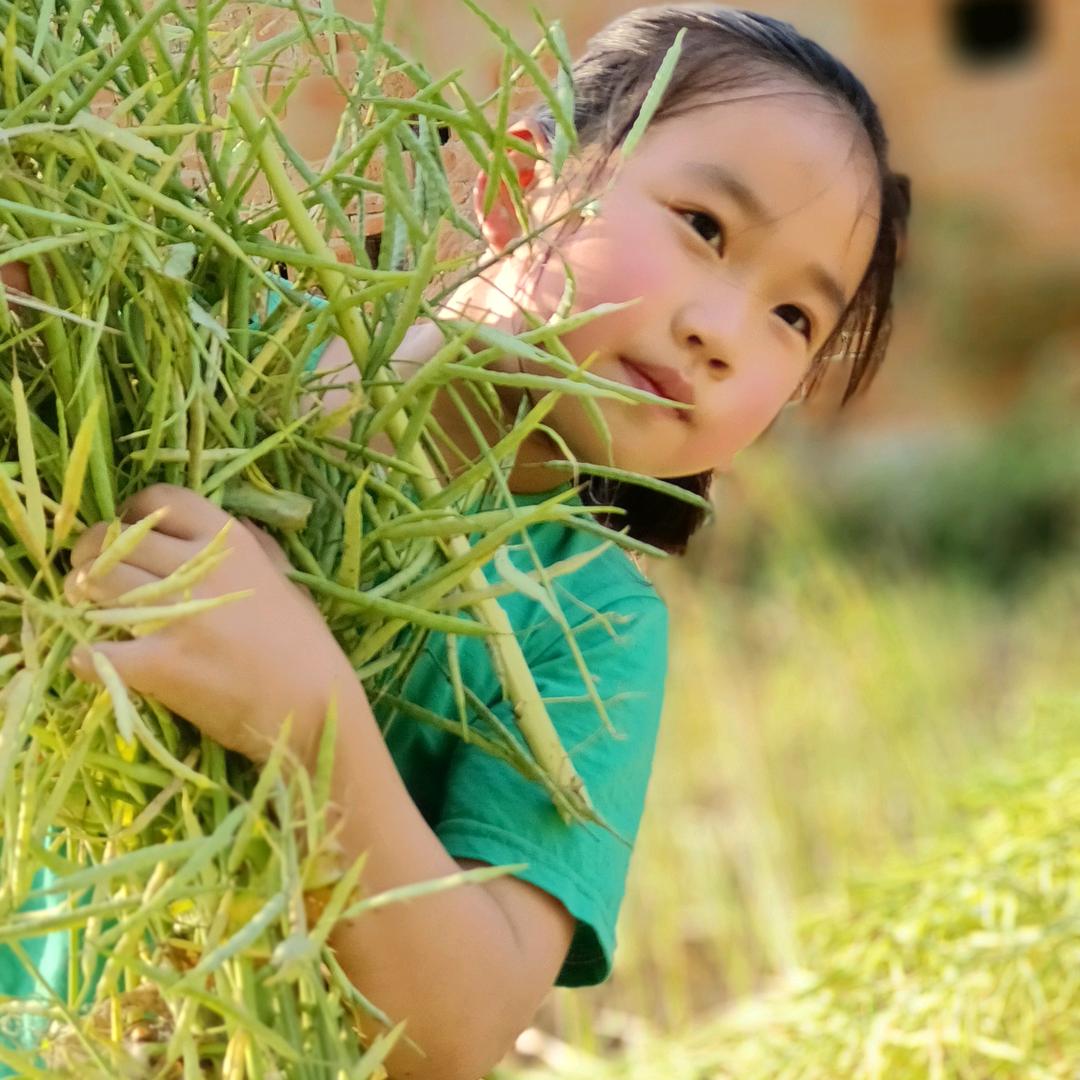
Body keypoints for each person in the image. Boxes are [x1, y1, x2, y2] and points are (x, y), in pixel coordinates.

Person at [1, 6, 910, 1079]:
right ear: (519, 184)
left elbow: (466, 1028)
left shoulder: (588, 625)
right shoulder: (205, 343)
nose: (722, 332)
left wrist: (307, 719)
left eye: (795, 319)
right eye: (705, 227)